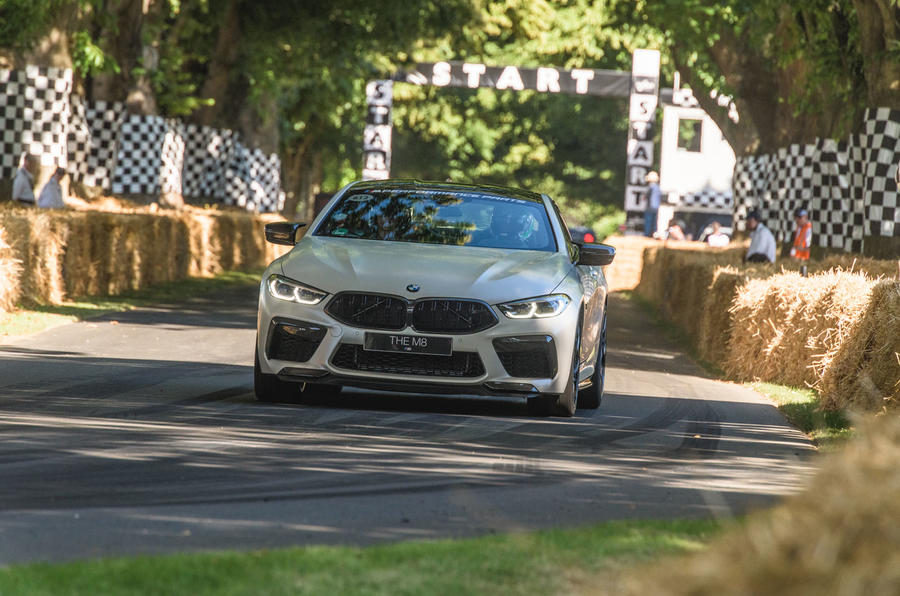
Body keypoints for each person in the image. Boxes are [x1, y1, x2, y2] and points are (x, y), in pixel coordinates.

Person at [644, 171, 661, 237]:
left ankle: (647, 234)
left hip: (650, 206)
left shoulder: (650, 187)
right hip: (656, 207)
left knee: (648, 221)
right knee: (654, 222)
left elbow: (646, 196)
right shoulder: (658, 187)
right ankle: (653, 234)